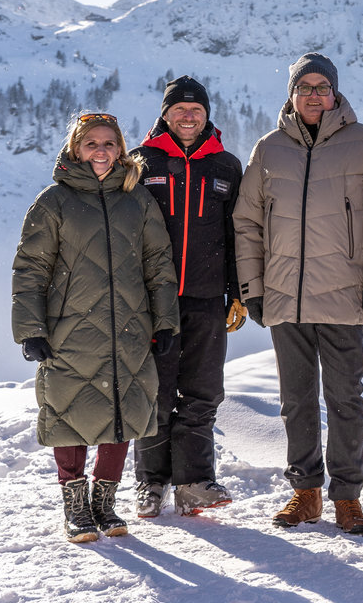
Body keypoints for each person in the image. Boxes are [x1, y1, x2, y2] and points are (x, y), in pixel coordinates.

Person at [233, 52, 363, 534]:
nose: (312, 94)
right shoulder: (268, 149)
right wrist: (254, 289)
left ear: (335, 93)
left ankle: (347, 497)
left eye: (320, 86)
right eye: (303, 86)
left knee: (346, 398)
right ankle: (305, 493)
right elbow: (246, 222)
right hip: (284, 295)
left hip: (346, 294)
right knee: (296, 400)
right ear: (291, 94)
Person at [12, 112, 179, 543]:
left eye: (109, 144)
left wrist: (164, 322)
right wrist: (31, 329)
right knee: (70, 411)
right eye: (92, 144)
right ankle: (75, 505)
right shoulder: (53, 201)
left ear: (121, 150)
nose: (101, 151)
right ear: (75, 149)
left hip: (130, 326)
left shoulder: (137, 200)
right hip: (70, 329)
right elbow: (31, 269)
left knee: (122, 413)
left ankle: (104, 503)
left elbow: (159, 264)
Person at [131, 76, 245, 518]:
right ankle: (151, 483)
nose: (188, 116)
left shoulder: (226, 166)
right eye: (179, 108)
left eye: (196, 109)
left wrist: (237, 291)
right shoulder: (141, 162)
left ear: (206, 114)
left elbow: (238, 236)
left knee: (202, 392)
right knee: (154, 392)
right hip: (152, 300)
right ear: (165, 113)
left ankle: (194, 482)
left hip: (206, 298)